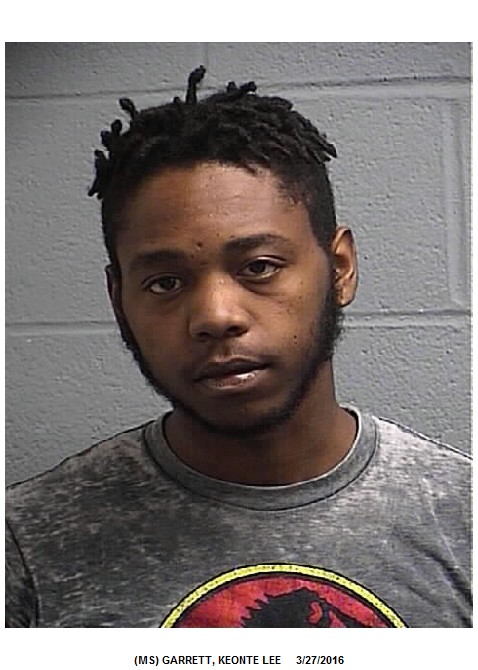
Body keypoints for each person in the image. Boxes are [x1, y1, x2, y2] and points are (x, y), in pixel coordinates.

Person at [5, 67, 471, 628]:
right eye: (165, 283)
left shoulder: (461, 518)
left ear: (339, 269)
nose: (216, 317)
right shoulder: (25, 545)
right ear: (119, 300)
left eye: (259, 267)